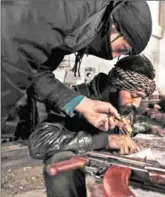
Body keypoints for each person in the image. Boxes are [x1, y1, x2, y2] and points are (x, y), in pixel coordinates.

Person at [28, 55, 158, 197]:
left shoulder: (123, 104)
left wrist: (144, 129)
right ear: (115, 85)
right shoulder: (77, 98)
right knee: (60, 162)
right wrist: (104, 140)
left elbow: (129, 126)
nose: (136, 104)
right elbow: (39, 142)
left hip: (110, 175)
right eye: (133, 95)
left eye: (141, 97)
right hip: (79, 174)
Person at [1, 0, 152, 132]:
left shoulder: (76, 31)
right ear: (114, 25)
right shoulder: (75, 8)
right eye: (122, 49)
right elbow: (12, 58)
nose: (113, 57)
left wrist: (82, 104)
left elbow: (38, 74)